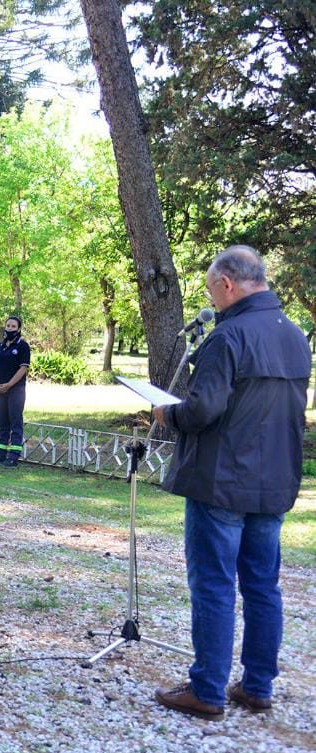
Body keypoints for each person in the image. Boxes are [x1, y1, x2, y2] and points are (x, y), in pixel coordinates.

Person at [151, 246, 311, 721]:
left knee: (214, 585)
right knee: (263, 586)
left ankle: (207, 689)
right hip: (274, 479)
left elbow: (203, 410)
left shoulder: (229, 335)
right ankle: (258, 686)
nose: (211, 300)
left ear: (226, 284)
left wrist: (167, 414)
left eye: (210, 291)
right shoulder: (295, 335)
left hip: (221, 479)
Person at [0, 316, 30, 467]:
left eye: (13, 326)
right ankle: (0, 453)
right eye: (8, 326)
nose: (10, 328)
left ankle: (14, 456)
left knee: (15, 421)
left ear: (18, 329)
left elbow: (23, 368)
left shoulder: (23, 346)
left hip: (16, 390)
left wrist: (9, 384)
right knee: (2, 421)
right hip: (0, 390)